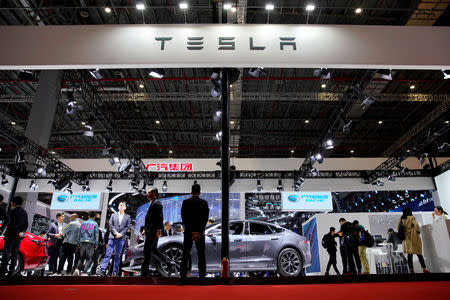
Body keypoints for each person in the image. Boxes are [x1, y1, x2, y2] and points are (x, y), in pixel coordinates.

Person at [180, 183, 209, 283]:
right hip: (200, 233)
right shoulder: (204, 203)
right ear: (200, 192)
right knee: (201, 255)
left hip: (188, 232)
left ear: (191, 192)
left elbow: (184, 218)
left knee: (185, 255)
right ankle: (202, 280)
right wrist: (198, 231)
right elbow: (205, 219)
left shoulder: (185, 202)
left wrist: (191, 231)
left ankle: (182, 279)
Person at [100, 202, 131, 276]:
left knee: (118, 255)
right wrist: (116, 233)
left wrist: (121, 234)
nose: (121, 206)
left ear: (125, 207)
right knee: (108, 254)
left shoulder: (128, 217)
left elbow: (128, 227)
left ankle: (115, 271)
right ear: (118, 207)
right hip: (112, 237)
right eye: (120, 205)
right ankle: (103, 270)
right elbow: (110, 225)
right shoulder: (113, 215)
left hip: (121, 238)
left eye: (123, 205)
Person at [141, 188, 166, 276]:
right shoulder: (152, 203)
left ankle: (144, 273)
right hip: (150, 231)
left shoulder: (157, 203)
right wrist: (145, 229)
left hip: (154, 231)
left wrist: (159, 230)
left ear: (154, 193)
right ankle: (169, 262)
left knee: (146, 251)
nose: (147, 193)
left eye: (149, 192)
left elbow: (160, 217)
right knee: (153, 250)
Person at [0, 196, 28, 276]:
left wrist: (17, 231)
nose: (12, 204)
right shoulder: (24, 212)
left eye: (12, 202)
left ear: (15, 202)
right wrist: (21, 234)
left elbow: (13, 224)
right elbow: (26, 225)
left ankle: (2, 272)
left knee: (6, 254)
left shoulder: (13, 211)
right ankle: (11, 272)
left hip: (10, 236)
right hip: (18, 238)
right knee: (14, 255)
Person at [397, 207, 430, 273]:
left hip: (406, 239)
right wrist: (418, 232)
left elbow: (398, 227)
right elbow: (417, 226)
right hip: (413, 237)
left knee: (409, 255)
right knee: (419, 253)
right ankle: (424, 269)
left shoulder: (401, 219)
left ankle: (411, 270)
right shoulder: (411, 218)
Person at [73, 212, 99, 276]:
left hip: (82, 242)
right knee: (89, 258)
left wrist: (78, 242)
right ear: (94, 217)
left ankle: (77, 269)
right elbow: (96, 234)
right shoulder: (95, 224)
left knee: (81, 257)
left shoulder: (83, 223)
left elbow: (79, 233)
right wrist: (96, 244)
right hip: (90, 242)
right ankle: (84, 272)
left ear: (88, 216)